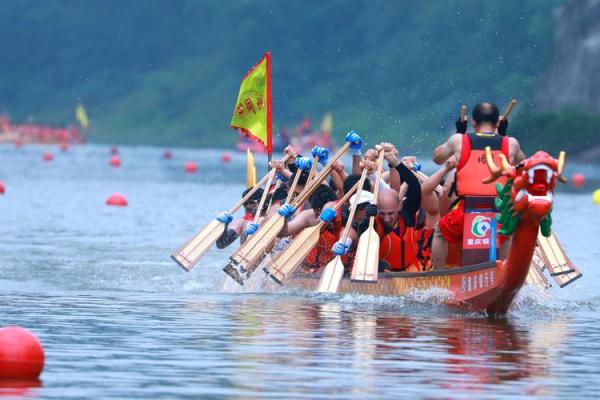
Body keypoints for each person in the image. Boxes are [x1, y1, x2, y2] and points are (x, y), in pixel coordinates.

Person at [430, 102, 525, 269]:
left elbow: (437, 158)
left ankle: (436, 279)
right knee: (507, 235)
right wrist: (504, 134)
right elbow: (523, 165)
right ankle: (503, 272)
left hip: (466, 212)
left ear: (473, 122)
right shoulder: (511, 144)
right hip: (499, 212)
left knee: (439, 231)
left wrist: (459, 132)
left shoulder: (458, 141)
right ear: (497, 122)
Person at [337, 143, 423, 272]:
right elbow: (361, 234)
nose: (387, 219)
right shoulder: (374, 222)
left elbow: (415, 186)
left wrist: (395, 162)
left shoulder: (407, 214)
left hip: (410, 270)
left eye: (390, 213)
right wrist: (367, 220)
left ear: (399, 206)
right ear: (377, 208)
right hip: (382, 273)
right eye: (383, 213)